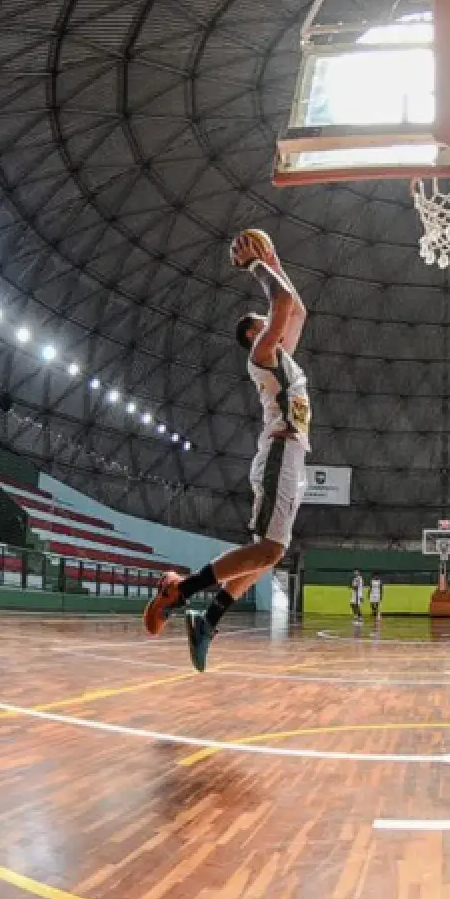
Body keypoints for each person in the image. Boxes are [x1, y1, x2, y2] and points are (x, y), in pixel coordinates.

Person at [142, 228, 311, 671]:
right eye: (264, 318)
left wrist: (274, 259)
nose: (273, 318)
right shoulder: (262, 352)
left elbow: (298, 309)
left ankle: (207, 622)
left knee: (265, 552)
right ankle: (182, 589)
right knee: (270, 551)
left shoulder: (281, 354)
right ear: (255, 331)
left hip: (292, 456)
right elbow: (286, 305)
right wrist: (258, 265)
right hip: (279, 453)